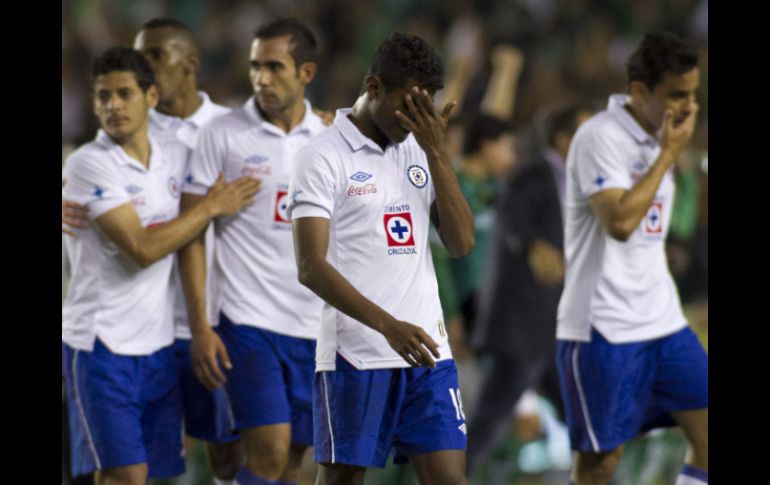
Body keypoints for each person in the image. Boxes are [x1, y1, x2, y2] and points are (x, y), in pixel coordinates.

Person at [61, 46, 259, 485]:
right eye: (103, 96)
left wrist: (325, 120)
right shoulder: (90, 163)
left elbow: (248, 127)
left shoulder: (175, 152)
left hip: (157, 346)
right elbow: (143, 248)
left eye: (124, 94)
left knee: (149, 473)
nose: (113, 105)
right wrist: (208, 208)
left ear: (150, 97)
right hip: (100, 345)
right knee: (125, 475)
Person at [288, 32, 475, 485]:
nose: (416, 118)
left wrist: (437, 154)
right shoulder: (321, 157)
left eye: (425, 106)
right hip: (358, 356)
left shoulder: (420, 147)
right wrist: (387, 325)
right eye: (407, 104)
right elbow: (311, 267)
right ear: (374, 88)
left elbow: (461, 243)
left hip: (428, 356)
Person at [178, 17, 327, 485]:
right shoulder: (222, 135)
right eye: (255, 66)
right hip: (247, 323)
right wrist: (201, 326)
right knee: (269, 449)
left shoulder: (329, 138)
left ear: (306, 72)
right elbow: (189, 235)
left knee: (294, 462)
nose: (262, 78)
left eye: (274, 67)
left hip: (313, 324)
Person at [555, 32, 707, 485]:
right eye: (676, 95)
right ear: (639, 92)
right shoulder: (598, 137)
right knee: (601, 465)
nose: (688, 106)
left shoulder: (659, 137)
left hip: (661, 320)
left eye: (694, 93)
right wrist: (667, 155)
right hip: (603, 328)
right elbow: (619, 223)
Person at [465, 103, 591, 474]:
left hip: (551, 330)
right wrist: (532, 244)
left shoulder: (579, 184)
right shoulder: (536, 175)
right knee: (490, 423)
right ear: (563, 139)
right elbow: (512, 218)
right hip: (522, 330)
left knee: (583, 420)